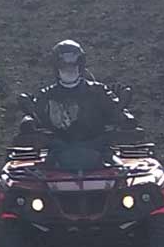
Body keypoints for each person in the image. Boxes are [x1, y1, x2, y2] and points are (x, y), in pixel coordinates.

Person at [15, 39, 134, 169]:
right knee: (33, 180)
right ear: (56, 66)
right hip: (59, 151)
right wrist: (29, 122)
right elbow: (35, 117)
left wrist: (122, 112)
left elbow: (116, 112)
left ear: (81, 64)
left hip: (98, 149)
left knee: (120, 173)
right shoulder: (46, 95)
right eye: (64, 64)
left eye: (74, 63)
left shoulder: (99, 91)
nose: (69, 67)